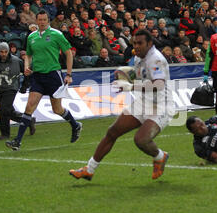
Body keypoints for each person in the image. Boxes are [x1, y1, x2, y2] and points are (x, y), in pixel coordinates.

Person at [69, 30, 175, 181]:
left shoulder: (156, 59)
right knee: (112, 131)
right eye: (134, 43)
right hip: (144, 101)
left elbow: (158, 84)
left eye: (140, 43)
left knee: (141, 140)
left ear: (149, 44)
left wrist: (131, 87)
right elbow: (141, 75)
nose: (136, 47)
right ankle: (89, 169)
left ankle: (160, 156)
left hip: (161, 105)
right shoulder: (139, 58)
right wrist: (124, 75)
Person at [6, 10, 82, 151]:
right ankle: (17, 141)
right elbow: (28, 55)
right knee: (29, 107)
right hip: (38, 77)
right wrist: (27, 67)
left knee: (57, 109)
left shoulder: (56, 34)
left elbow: (68, 53)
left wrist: (69, 74)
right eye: (39, 19)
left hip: (53, 75)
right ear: (36, 20)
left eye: (44, 20)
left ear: (48, 20)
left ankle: (75, 125)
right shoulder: (32, 37)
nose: (41, 22)